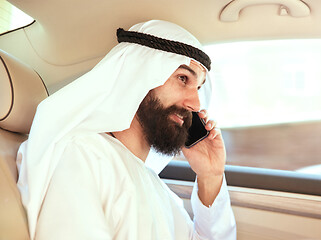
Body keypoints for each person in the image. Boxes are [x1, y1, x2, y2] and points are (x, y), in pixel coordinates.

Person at [16, 20, 236, 240]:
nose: (196, 105)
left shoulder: (155, 186)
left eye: (198, 88)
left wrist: (211, 176)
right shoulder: (81, 154)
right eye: (182, 78)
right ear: (139, 74)